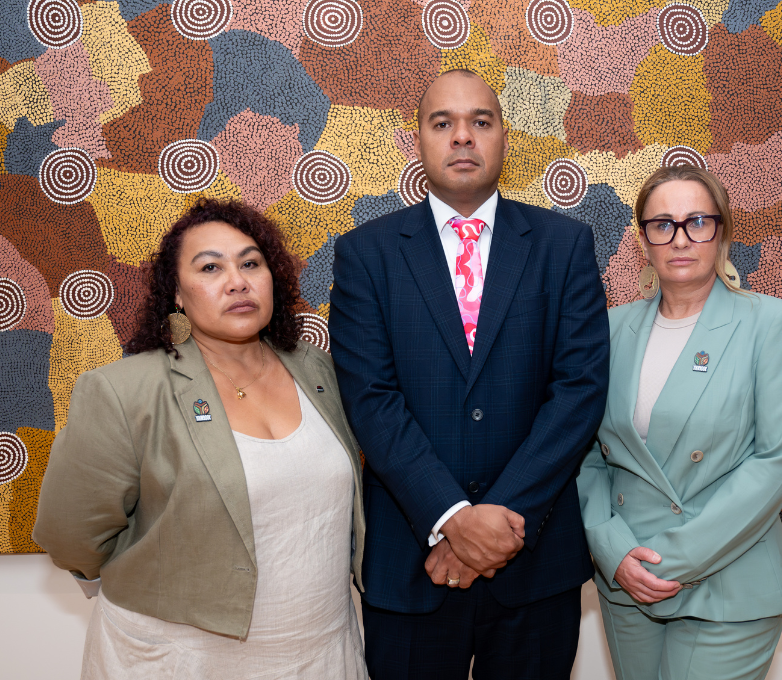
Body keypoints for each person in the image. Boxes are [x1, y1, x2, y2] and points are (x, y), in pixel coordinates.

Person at [328, 68, 610, 679]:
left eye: (480, 121)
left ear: (504, 136)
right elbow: (371, 400)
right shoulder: (365, 254)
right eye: (443, 123)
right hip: (412, 564)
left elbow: (579, 391)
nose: (462, 136)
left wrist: (498, 522)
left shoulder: (564, 245)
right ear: (419, 140)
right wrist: (453, 519)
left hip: (535, 566)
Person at [33, 198, 366, 679]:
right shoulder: (125, 391)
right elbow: (69, 533)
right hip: (180, 658)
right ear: (177, 293)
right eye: (210, 267)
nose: (237, 282)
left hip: (320, 651)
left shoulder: (316, 368)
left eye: (251, 263)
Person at [577, 165, 782, 680]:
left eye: (698, 222)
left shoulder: (774, 323)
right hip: (628, 580)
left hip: (727, 578)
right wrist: (612, 550)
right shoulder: (609, 330)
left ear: (722, 231)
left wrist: (667, 560)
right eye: (662, 224)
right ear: (643, 240)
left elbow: (778, 458)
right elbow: (584, 452)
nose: (680, 239)